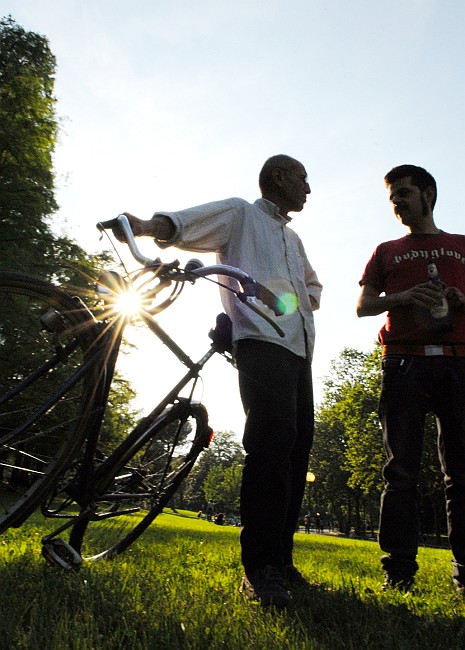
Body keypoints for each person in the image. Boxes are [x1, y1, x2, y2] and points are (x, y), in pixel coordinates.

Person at [116, 154, 322, 608]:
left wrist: (299, 302)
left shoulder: (293, 237)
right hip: (260, 342)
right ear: (280, 177)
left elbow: (313, 288)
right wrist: (145, 225)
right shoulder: (240, 214)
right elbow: (185, 224)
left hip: (300, 352)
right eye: (303, 179)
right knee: (271, 444)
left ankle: (282, 559)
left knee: (296, 447)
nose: (308, 188)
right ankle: (261, 567)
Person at [357, 164, 465, 594]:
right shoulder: (386, 250)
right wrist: (402, 297)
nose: (396, 202)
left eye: (403, 192)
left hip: (459, 363)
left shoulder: (460, 246)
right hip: (403, 364)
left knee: (461, 474)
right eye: (391, 197)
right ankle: (398, 573)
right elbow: (363, 305)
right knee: (400, 471)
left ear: (428, 193)